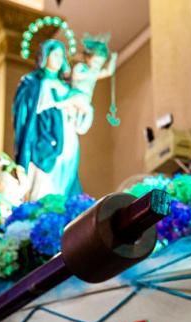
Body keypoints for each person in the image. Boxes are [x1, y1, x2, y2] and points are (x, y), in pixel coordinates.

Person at [13, 39, 84, 200]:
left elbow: (76, 114)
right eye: (55, 54)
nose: (59, 59)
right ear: (45, 56)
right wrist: (65, 103)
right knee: (42, 187)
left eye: (62, 55)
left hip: (68, 140)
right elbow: (33, 111)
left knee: (64, 183)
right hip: (45, 139)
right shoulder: (34, 83)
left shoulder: (66, 87)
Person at [68, 33, 118, 134]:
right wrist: (90, 74)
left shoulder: (94, 73)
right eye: (95, 62)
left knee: (80, 114)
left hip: (86, 98)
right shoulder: (82, 67)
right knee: (89, 111)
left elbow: (108, 72)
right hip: (77, 94)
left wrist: (113, 59)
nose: (97, 66)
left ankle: (76, 126)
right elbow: (76, 75)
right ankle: (81, 129)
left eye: (99, 64)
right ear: (87, 58)